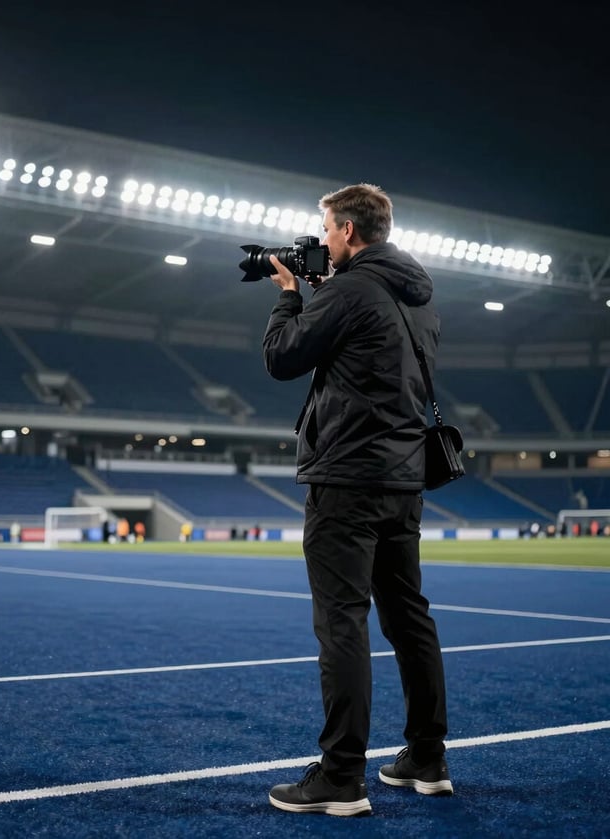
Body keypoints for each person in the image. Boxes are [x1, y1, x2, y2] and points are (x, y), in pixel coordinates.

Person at [263, 183, 452, 817]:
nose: (321, 241)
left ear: (347, 230)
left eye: (326, 229)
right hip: (402, 480)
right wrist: (325, 295)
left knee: (341, 622)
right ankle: (428, 757)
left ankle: (342, 776)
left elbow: (282, 358)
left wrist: (290, 297)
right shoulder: (415, 295)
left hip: (346, 477)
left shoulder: (348, 289)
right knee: (408, 619)